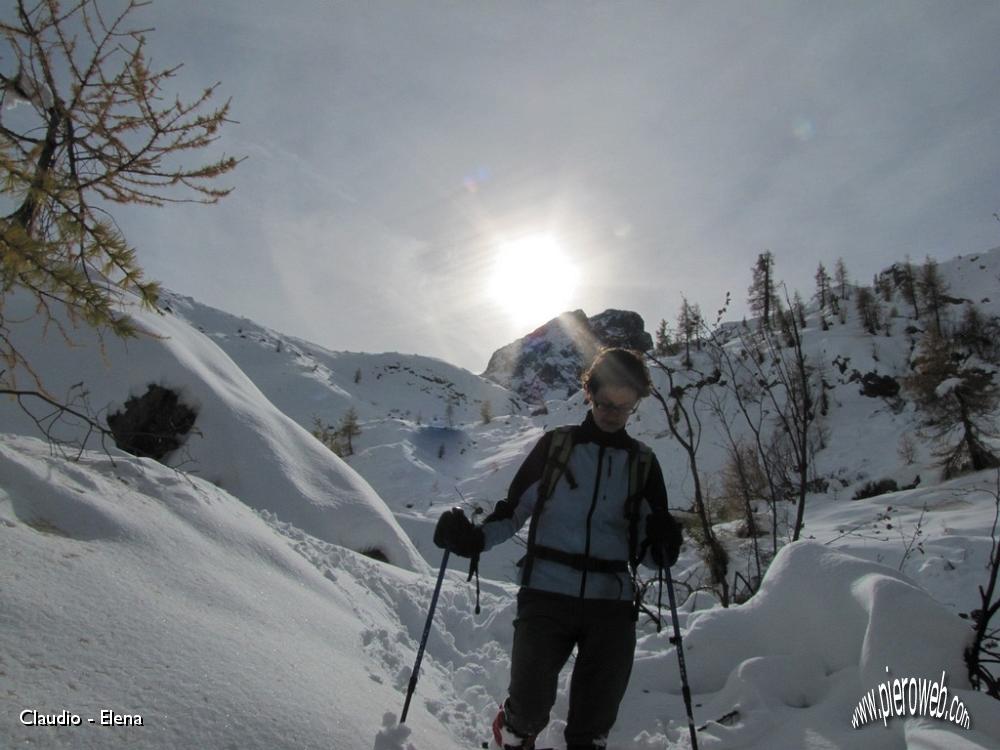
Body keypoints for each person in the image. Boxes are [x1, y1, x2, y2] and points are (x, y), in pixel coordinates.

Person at [434, 347, 683, 750]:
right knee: (529, 708)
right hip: (547, 593)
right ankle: (512, 733)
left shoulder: (642, 463)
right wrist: (474, 538)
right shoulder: (556, 446)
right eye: (605, 402)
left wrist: (665, 544)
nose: (612, 413)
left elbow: (651, 552)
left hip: (611, 603)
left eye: (624, 406)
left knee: (593, 725)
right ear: (590, 392)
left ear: (636, 403)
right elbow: (513, 511)